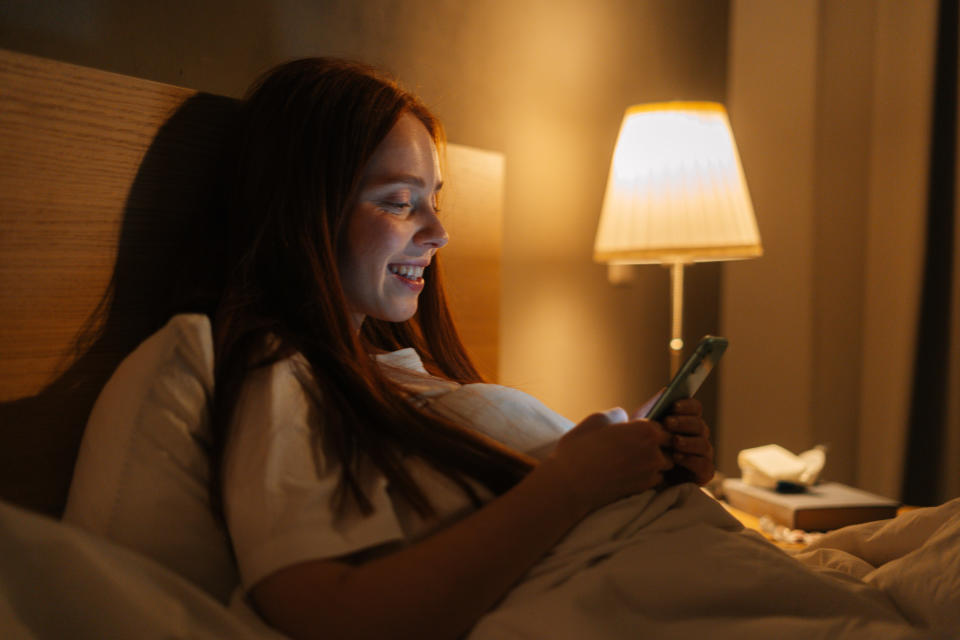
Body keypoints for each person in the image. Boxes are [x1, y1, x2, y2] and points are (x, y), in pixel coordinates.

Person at [211, 57, 714, 640]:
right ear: (305, 211)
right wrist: (574, 483)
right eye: (400, 202)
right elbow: (325, 614)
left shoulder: (395, 377)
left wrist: (645, 465)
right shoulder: (280, 375)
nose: (439, 233)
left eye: (434, 201)